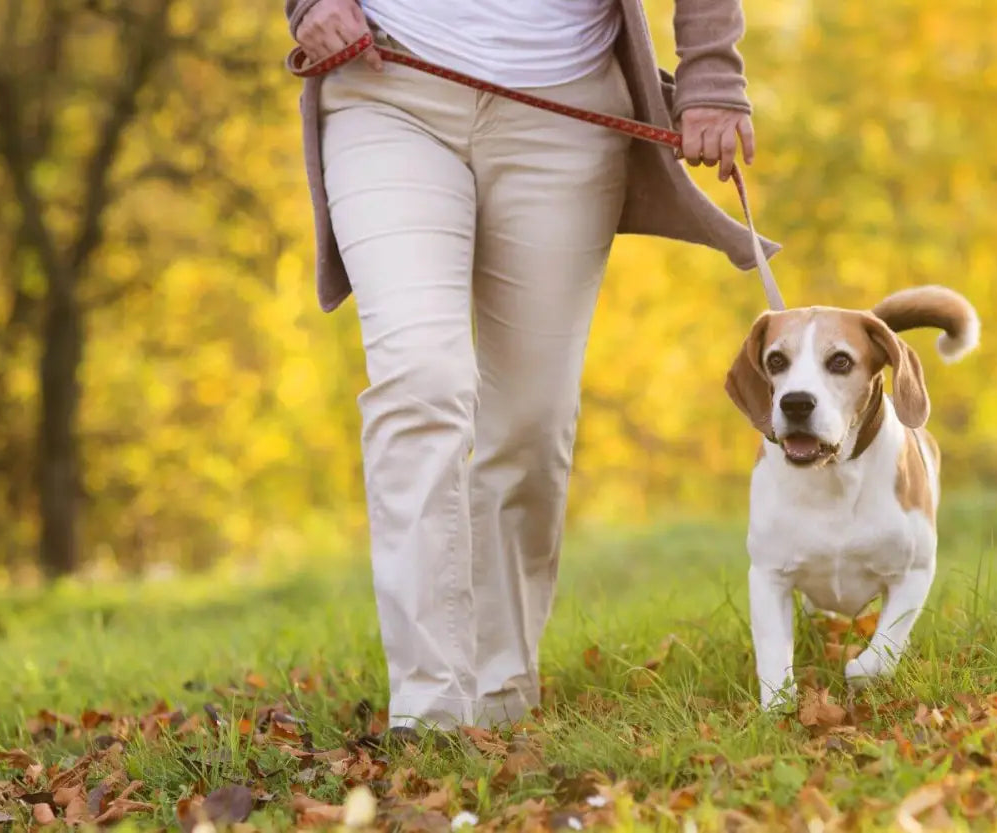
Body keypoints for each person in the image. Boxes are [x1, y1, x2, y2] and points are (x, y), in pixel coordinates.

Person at [282, 0, 779, 732]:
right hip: (387, 86)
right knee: (420, 379)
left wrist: (711, 76)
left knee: (531, 421)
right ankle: (431, 706)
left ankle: (500, 687)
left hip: (564, 112)